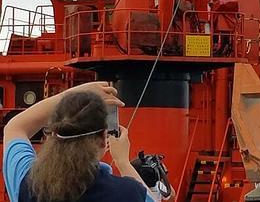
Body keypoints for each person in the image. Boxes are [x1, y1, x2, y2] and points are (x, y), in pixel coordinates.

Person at [2, 81, 158, 202]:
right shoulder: (129, 194)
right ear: (103, 139)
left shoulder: (28, 184)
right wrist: (123, 162)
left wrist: (76, 92)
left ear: (54, 134)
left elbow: (15, 127)